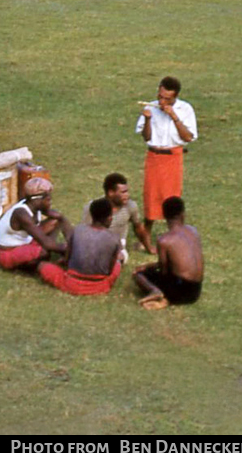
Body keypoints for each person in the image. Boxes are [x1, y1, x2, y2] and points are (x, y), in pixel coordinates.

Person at [136, 76, 197, 224]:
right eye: (160, 97)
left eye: (166, 99)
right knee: (151, 196)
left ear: (175, 97)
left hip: (173, 158)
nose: (162, 102)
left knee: (172, 196)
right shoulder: (150, 107)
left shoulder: (185, 109)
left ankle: (176, 231)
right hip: (154, 156)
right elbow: (146, 137)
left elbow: (188, 137)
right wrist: (148, 120)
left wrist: (174, 117)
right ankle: (147, 233)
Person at [37, 197, 123, 295]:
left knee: (42, 265)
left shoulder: (78, 230)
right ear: (109, 218)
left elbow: (67, 260)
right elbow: (110, 270)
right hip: (100, 286)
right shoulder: (114, 238)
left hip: (72, 284)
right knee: (118, 263)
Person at [133, 196, 203, 309]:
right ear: (183, 214)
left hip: (179, 293)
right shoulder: (193, 231)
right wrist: (148, 266)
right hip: (196, 292)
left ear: (164, 216)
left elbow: (164, 270)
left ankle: (156, 292)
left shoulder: (164, 240)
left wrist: (145, 268)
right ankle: (165, 299)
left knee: (138, 275)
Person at [0, 177, 67, 271]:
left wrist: (61, 217)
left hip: (26, 241)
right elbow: (47, 244)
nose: (50, 200)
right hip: (9, 252)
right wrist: (69, 249)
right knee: (44, 252)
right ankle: (31, 264)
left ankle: (48, 251)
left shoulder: (33, 205)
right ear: (39, 200)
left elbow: (59, 220)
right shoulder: (21, 214)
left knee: (55, 221)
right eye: (48, 199)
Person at [82, 173, 154, 261]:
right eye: (123, 192)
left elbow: (138, 228)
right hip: (96, 244)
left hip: (118, 247)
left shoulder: (131, 206)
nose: (127, 195)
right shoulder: (94, 207)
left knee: (118, 258)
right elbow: (85, 233)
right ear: (111, 193)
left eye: (127, 191)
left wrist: (148, 247)